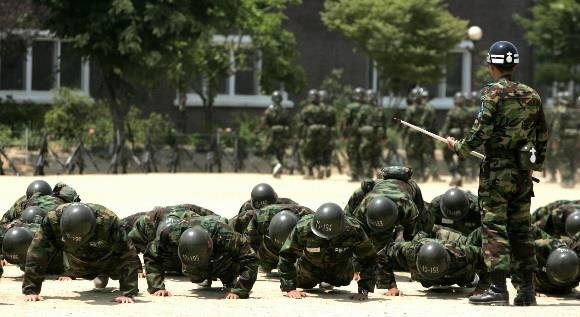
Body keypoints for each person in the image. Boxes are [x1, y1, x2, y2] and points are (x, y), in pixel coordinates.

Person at [446, 40, 549, 306]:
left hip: (497, 172)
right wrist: (534, 165)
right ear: (514, 64)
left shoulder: (492, 94)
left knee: (494, 227)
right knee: (521, 228)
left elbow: (482, 131)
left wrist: (460, 147)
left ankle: (498, 288)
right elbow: (542, 135)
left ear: (492, 65)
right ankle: (526, 290)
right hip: (522, 173)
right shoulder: (532, 95)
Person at [22, 202, 140, 303]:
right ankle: (96, 274)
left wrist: (128, 293)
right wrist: (31, 290)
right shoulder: (52, 220)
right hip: (75, 261)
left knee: (117, 267)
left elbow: (127, 254)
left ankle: (103, 273)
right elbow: (37, 253)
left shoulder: (108, 220)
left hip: (107, 259)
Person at [278, 202, 377, 301]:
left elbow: (369, 258)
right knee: (303, 283)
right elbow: (287, 254)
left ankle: (329, 281)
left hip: (339, 268)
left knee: (344, 279)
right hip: (308, 267)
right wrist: (289, 288)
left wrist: (364, 290)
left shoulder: (353, 230)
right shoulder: (303, 228)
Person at [144, 216, 259, 299]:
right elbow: (152, 255)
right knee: (195, 275)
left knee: (229, 269)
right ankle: (201, 274)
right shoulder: (171, 234)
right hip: (195, 259)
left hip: (221, 258)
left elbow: (250, 258)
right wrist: (157, 287)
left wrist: (241, 290)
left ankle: (227, 278)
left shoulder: (225, 236)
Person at [381, 227, 485, 295]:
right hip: (426, 277)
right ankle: (400, 232)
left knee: (468, 279)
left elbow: (488, 258)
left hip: (457, 273)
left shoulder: (461, 253)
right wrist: (391, 287)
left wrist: (481, 288)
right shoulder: (409, 252)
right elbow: (383, 254)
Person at [242, 204, 314, 273]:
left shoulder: (308, 222)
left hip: (296, 246)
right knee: (265, 265)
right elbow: (249, 240)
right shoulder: (262, 216)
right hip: (270, 244)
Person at [440, 92, 473, 186]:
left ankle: (455, 174)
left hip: (452, 138)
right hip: (465, 137)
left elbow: (446, 125)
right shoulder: (468, 112)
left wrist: (443, 134)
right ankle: (460, 176)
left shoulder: (452, 112)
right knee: (462, 156)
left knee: (447, 155)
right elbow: (472, 126)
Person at [552, 92, 580, 188]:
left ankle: (567, 180)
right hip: (576, 140)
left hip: (565, 140)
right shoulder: (577, 114)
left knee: (563, 159)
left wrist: (556, 141)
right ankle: (572, 179)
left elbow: (557, 127)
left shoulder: (562, 113)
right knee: (573, 160)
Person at [262, 91, 291, 178]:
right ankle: (278, 171)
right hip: (282, 134)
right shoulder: (285, 111)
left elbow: (264, 124)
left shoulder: (269, 111)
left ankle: (276, 164)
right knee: (280, 152)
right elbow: (289, 124)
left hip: (272, 134)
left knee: (268, 152)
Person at [342, 87, 365, 182]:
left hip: (353, 134)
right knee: (363, 153)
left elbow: (346, 122)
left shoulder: (350, 107)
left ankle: (354, 174)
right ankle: (362, 173)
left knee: (352, 153)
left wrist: (344, 134)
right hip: (365, 134)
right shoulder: (367, 107)